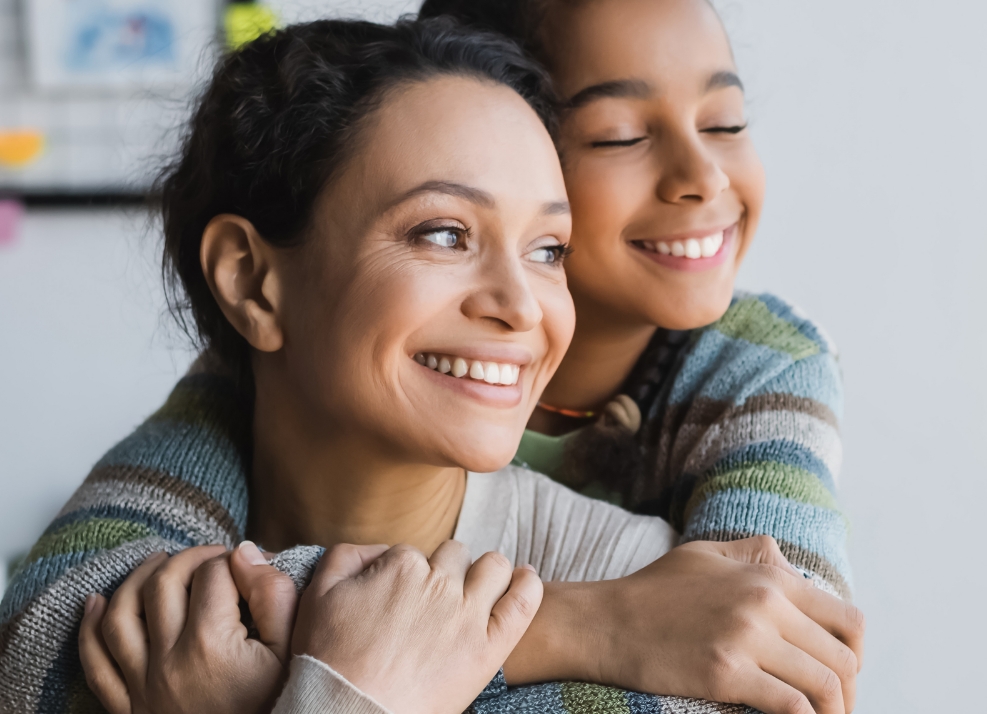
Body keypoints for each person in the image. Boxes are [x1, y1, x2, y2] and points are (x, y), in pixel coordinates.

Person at [0, 14, 863, 714]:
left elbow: (788, 657)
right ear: (251, 281)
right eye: (443, 233)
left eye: (549, 248)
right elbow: (28, 654)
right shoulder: (120, 590)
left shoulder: (670, 594)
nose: (520, 305)